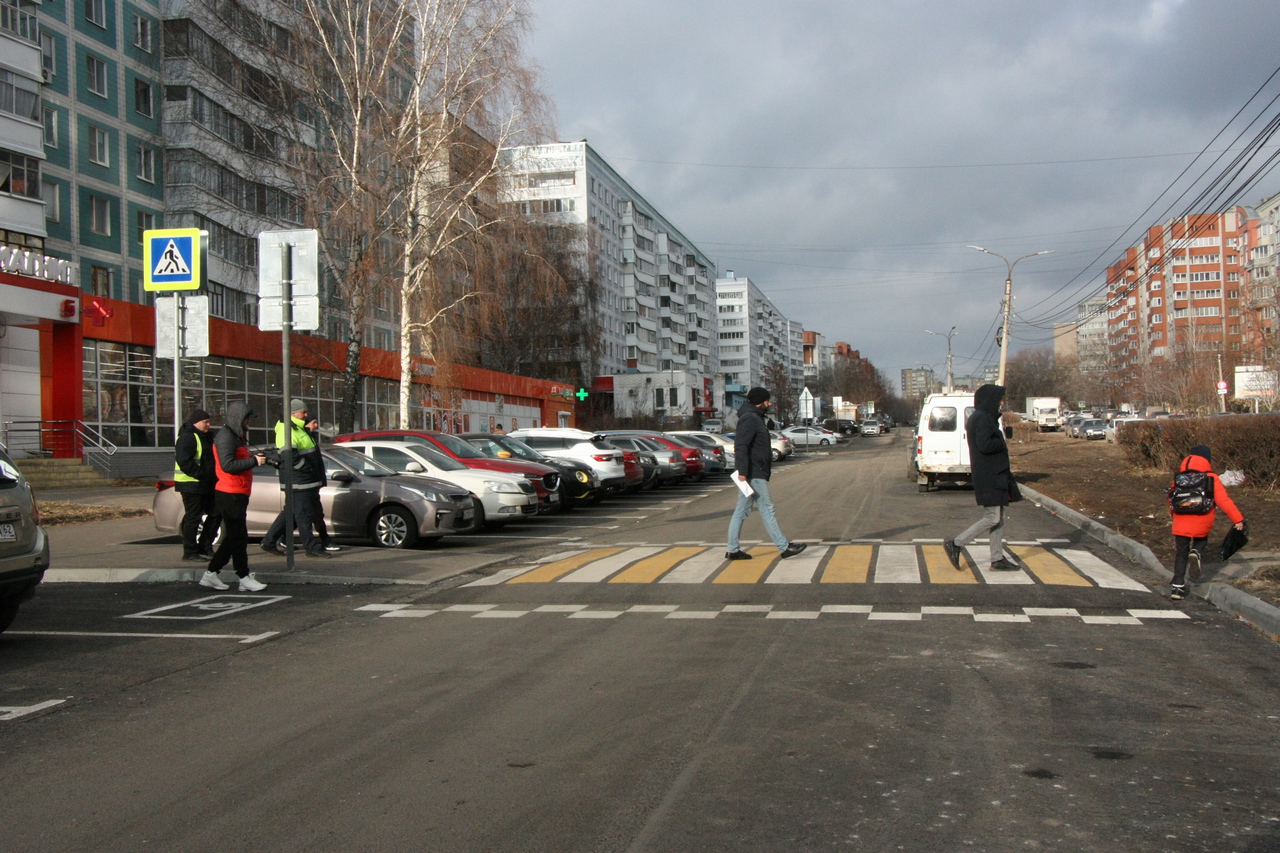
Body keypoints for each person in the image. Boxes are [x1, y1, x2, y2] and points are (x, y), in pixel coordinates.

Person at [943, 383, 1022, 572]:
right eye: (998, 399)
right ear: (990, 399)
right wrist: (1001, 442)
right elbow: (985, 445)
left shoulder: (984, 417)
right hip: (990, 475)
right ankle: (956, 543)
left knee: (998, 517)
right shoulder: (981, 419)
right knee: (993, 517)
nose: (1001, 402)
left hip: (995, 474)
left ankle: (997, 558)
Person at [725, 387, 807, 561]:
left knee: (741, 511)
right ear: (759, 402)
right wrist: (743, 473)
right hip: (753, 473)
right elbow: (741, 446)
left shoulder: (755, 417)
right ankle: (784, 548)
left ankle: (732, 549)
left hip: (753, 472)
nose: (769, 403)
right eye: (767, 401)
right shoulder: (750, 419)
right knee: (767, 509)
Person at [1167, 444, 1245, 601]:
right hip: (1203, 518)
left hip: (1181, 520)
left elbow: (1171, 499)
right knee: (1201, 540)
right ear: (1207, 459)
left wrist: (1173, 514)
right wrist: (1238, 519)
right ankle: (1196, 552)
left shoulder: (1179, 478)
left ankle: (1177, 587)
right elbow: (1224, 501)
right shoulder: (1211, 478)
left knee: (1181, 553)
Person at [204, 400, 268, 591]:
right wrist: (254, 461)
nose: (249, 422)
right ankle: (243, 576)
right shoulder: (226, 437)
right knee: (238, 538)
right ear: (238, 418)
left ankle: (212, 573)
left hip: (237, 492)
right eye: (247, 419)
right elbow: (228, 465)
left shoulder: (234, 436)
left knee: (234, 537)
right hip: (229, 493)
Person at [260, 399, 330, 559]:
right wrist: (307, 468)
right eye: (303, 412)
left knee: (290, 514)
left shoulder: (296, 428)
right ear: (293, 413)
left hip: (302, 480)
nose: (306, 416)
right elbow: (290, 457)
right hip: (299, 481)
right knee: (303, 515)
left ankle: (269, 541)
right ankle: (311, 548)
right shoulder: (287, 430)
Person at [174, 408, 220, 562]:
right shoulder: (187, 437)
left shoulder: (205, 437)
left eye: (209, 421)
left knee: (215, 514)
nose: (209, 424)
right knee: (193, 517)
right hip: (191, 484)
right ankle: (190, 551)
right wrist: (202, 475)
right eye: (205, 421)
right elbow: (184, 462)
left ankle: (205, 547)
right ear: (196, 422)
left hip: (206, 483)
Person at [305, 416, 339, 552]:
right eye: (314, 422)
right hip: (307, 483)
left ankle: (274, 539)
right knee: (313, 514)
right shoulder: (304, 437)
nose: (317, 425)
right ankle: (323, 541)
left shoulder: (310, 437)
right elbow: (303, 461)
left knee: (300, 514)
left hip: (311, 482)